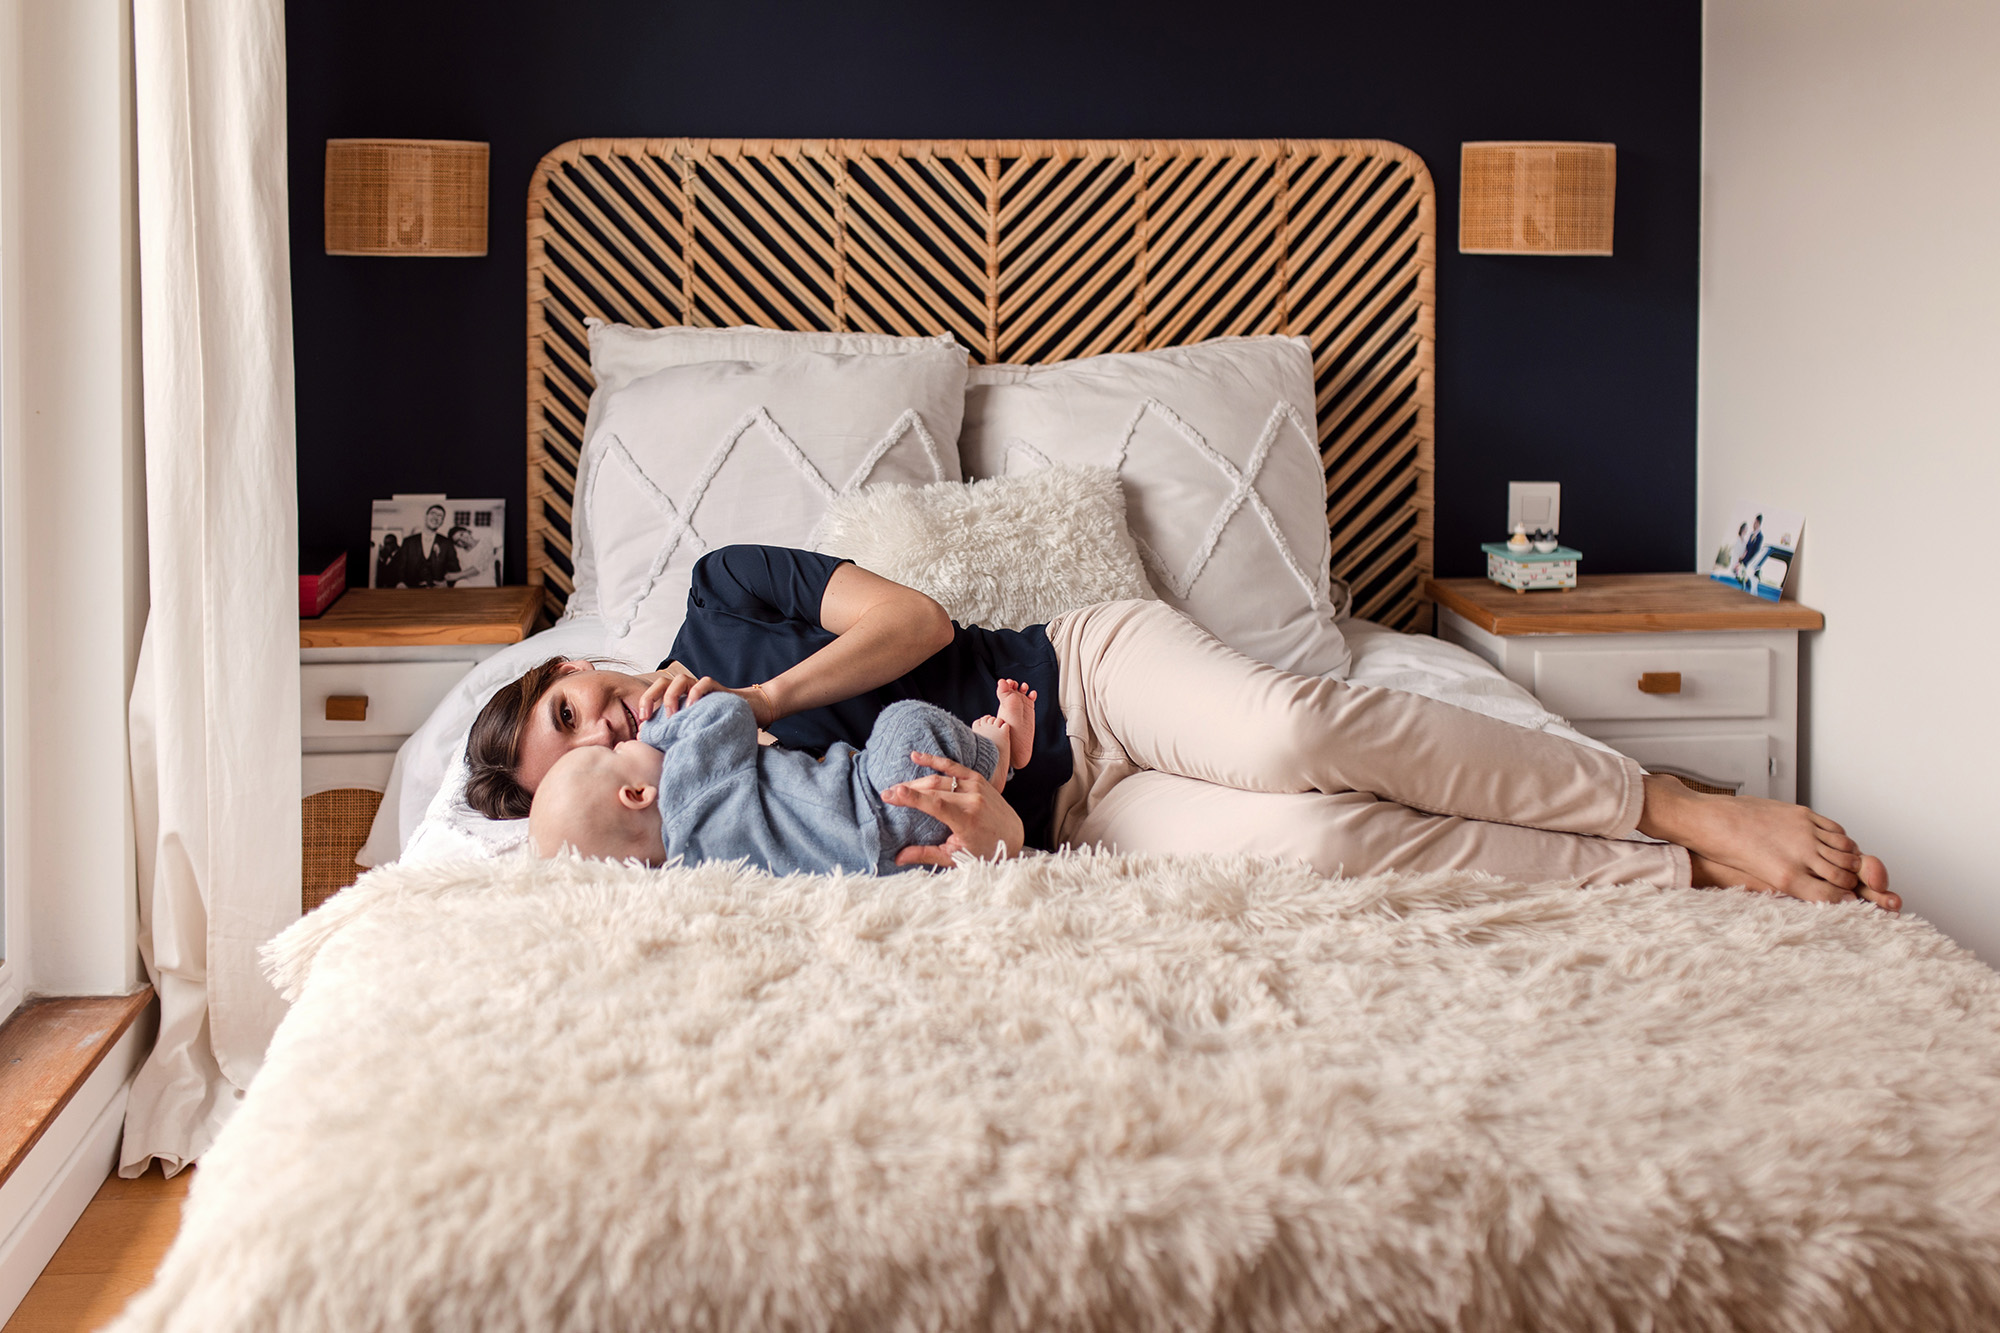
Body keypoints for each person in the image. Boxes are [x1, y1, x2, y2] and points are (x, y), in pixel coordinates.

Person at [465, 545, 1896, 912]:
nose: (611, 731)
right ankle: (1671, 876)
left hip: (1086, 671)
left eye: (583, 711)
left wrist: (758, 702)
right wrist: (996, 835)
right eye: (589, 756)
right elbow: (968, 867)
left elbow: (910, 620)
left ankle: (1678, 804)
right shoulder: (718, 840)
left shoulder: (721, 606)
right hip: (1074, 808)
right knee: (1316, 846)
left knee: (1287, 735)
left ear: (592, 670)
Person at [528, 681, 1037, 873]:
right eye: (618, 753)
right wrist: (667, 725)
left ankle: (990, 768)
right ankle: (996, 753)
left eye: (568, 716)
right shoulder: (691, 784)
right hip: (879, 798)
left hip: (891, 863)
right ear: (638, 793)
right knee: (905, 724)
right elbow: (727, 713)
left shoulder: (692, 867)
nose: (615, 737)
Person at [408, 504, 459, 587]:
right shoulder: (408, 542)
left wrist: (446, 584)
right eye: (433, 513)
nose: (435, 518)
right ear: (426, 516)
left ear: (442, 522)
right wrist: (400, 583)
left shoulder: (447, 543)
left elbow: (455, 570)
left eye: (440, 516)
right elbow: (400, 567)